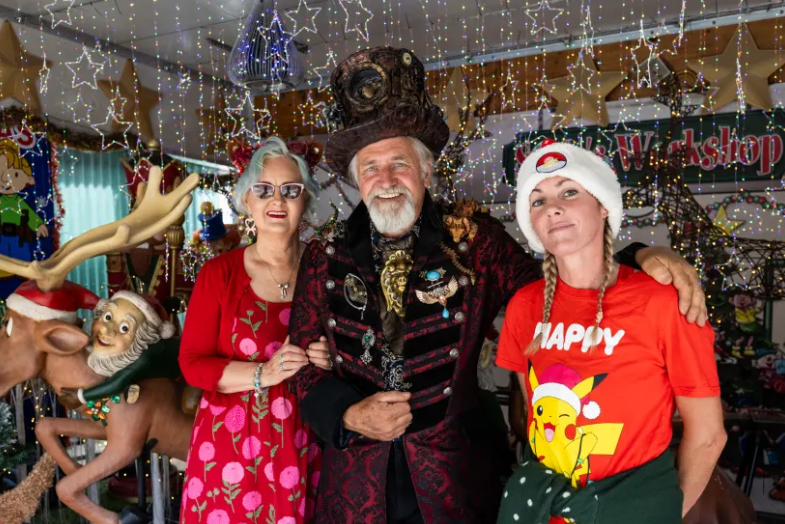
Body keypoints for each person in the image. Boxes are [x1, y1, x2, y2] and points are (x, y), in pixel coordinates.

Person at [288, 47, 707, 524]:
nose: (386, 180)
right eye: (371, 167)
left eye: (400, 164)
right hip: (355, 484)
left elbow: (563, 278)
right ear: (356, 180)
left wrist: (637, 255)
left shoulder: (476, 242)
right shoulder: (323, 258)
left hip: (456, 479)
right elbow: (300, 362)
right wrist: (348, 415)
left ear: (425, 171)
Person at [495, 141, 726, 524]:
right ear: (532, 224)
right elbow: (534, 415)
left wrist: (657, 512)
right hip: (545, 506)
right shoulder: (524, 305)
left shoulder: (662, 301)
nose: (553, 207)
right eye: (537, 201)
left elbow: (708, 436)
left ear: (603, 206)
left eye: (570, 192)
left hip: (633, 506)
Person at [178, 138, 332, 524]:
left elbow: (362, 346)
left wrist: (333, 358)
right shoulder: (220, 275)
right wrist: (266, 372)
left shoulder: (330, 271)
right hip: (233, 447)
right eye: (263, 190)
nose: (276, 201)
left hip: (313, 439)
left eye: (290, 191)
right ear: (247, 200)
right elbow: (193, 364)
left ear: (306, 202)